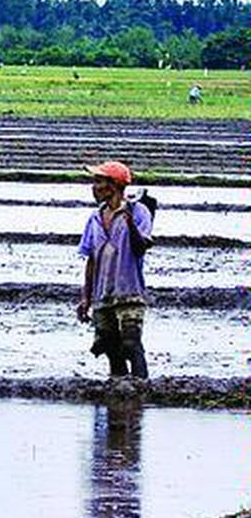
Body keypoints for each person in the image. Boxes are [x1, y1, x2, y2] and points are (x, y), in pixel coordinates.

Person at [76, 161, 154, 378]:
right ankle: (119, 398)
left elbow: (141, 248)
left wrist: (129, 222)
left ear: (114, 185)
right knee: (110, 348)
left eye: (98, 181)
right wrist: (86, 298)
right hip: (102, 294)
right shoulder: (94, 218)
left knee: (131, 344)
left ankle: (142, 389)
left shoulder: (139, 212)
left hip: (129, 291)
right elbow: (91, 259)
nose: (94, 187)